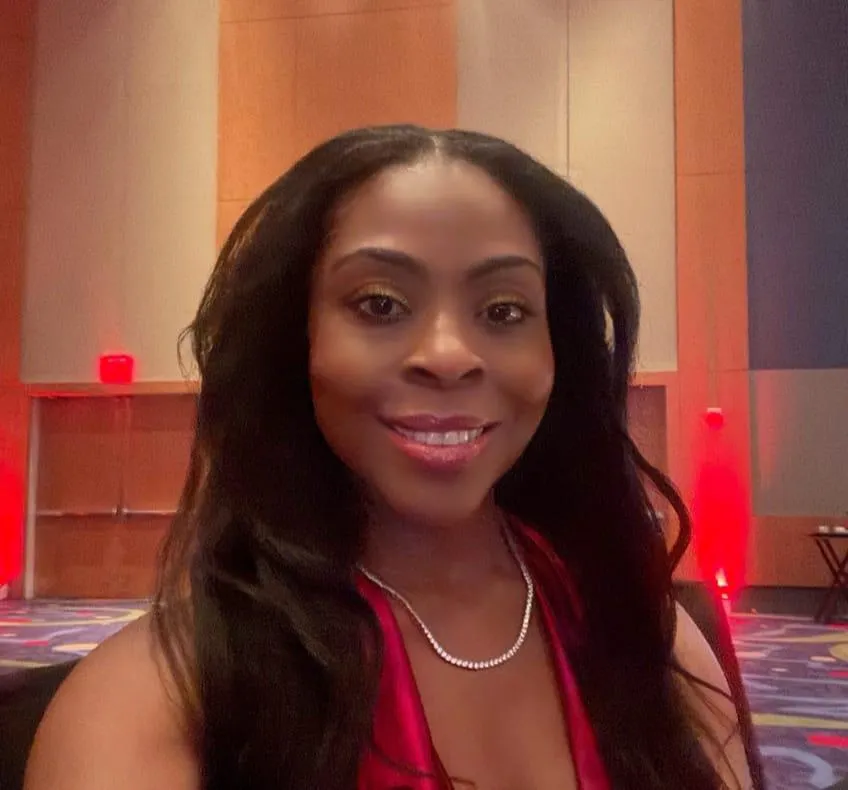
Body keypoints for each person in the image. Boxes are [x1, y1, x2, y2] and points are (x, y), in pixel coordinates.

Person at [25, 126, 762, 790]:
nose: (448, 355)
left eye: (504, 311)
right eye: (380, 304)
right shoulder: (156, 703)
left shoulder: (650, 639)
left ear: (556, 353)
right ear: (297, 341)